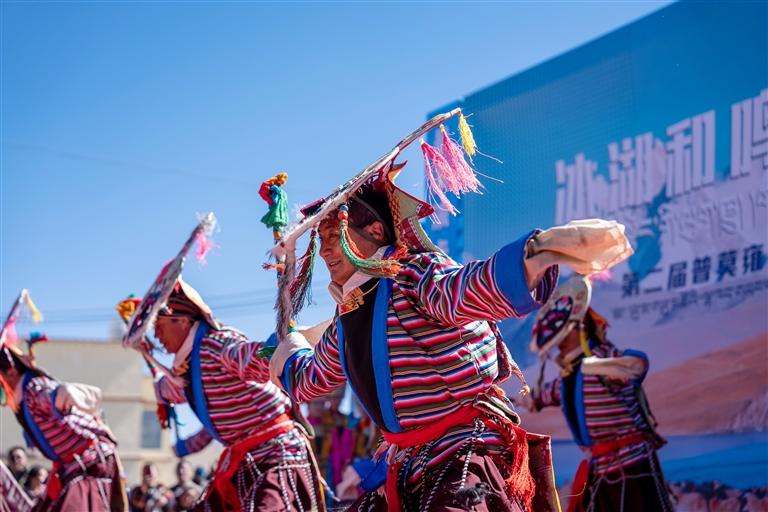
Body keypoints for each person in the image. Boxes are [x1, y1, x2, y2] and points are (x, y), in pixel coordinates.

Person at [267, 112, 633, 511]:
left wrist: (533, 256)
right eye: (320, 241)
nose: (325, 251)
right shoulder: (350, 312)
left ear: (374, 231)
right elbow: (311, 379)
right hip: (408, 464)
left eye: (332, 236)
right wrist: (286, 346)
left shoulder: (414, 273)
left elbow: (463, 290)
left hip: (464, 451)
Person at [120, 277, 325, 511]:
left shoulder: (215, 345)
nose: (156, 335)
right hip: (243, 459)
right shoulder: (187, 367)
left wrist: (278, 350)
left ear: (183, 321)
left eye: (159, 326)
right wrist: (144, 351)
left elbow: (248, 356)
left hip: (275, 452)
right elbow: (168, 389)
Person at [524, 274, 674, 512]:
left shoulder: (604, 358)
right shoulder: (570, 375)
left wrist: (599, 366)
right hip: (600, 469)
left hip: (632, 465)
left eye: (563, 334)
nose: (558, 343)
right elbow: (546, 395)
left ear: (579, 327)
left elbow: (637, 365)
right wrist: (525, 399)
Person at [0, 337, 128, 511]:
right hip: (74, 466)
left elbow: (63, 394)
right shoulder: (25, 399)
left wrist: (91, 410)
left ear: (11, 372)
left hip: (89, 462)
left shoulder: (32, 389)